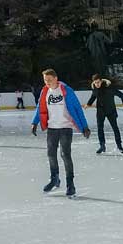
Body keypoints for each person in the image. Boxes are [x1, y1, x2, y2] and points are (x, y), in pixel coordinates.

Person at [31, 69, 91, 197]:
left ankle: (70, 184)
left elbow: (77, 109)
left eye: (50, 80)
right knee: (51, 154)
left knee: (65, 155)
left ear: (56, 78)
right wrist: (34, 122)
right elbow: (40, 108)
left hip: (65, 127)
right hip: (52, 127)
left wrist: (85, 126)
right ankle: (54, 179)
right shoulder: (45, 91)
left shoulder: (67, 91)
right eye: (45, 80)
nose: (47, 82)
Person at [86, 75, 123, 154]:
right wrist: (88, 104)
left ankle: (119, 145)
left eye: (98, 82)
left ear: (101, 81)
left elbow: (122, 95)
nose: (97, 84)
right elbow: (93, 97)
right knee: (100, 128)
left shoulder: (110, 88)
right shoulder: (95, 89)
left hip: (111, 111)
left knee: (115, 128)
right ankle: (102, 146)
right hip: (100, 112)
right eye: (95, 83)